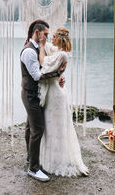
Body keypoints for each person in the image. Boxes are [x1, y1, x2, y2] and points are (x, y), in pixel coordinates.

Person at [39, 27, 89, 177]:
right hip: (54, 91)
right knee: (51, 126)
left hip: (55, 95)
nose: (51, 39)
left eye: (53, 36)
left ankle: (57, 161)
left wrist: (41, 45)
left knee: (57, 128)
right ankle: (50, 159)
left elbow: (43, 62)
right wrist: (38, 40)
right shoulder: (58, 52)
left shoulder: (62, 55)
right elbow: (49, 47)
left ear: (59, 39)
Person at [20, 20, 66, 182]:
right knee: (37, 130)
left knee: (30, 127)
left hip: (36, 93)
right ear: (37, 32)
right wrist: (57, 74)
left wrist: (59, 76)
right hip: (31, 95)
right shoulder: (29, 52)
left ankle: (29, 157)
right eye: (45, 33)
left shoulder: (38, 48)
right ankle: (33, 168)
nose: (47, 36)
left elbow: (44, 67)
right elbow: (37, 75)